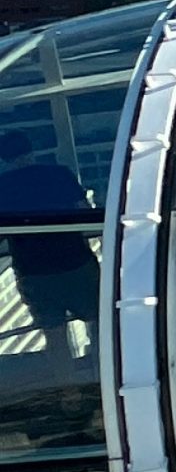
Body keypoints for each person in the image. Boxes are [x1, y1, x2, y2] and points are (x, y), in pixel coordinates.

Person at [0, 128, 99, 362]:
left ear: (3, 159)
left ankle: (68, 391)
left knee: (54, 336)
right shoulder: (59, 174)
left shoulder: (2, 187)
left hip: (33, 271)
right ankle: (99, 369)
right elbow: (84, 214)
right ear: (32, 150)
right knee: (98, 320)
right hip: (76, 262)